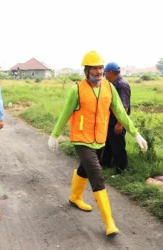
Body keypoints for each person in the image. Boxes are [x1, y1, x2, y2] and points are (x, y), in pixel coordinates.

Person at [48, 50, 148, 236]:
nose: (99, 71)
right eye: (94, 68)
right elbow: (65, 113)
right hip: (81, 138)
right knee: (97, 174)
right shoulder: (76, 89)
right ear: (87, 70)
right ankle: (109, 223)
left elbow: (120, 112)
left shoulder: (109, 88)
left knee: (85, 168)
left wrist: (135, 134)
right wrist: (54, 135)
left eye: (101, 67)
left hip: (100, 139)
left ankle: (75, 196)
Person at [101, 62, 131, 174]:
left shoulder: (121, 85)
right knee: (108, 144)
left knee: (118, 146)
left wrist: (119, 124)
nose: (104, 75)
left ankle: (121, 168)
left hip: (117, 122)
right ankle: (105, 164)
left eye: (104, 73)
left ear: (110, 72)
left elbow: (124, 107)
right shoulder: (113, 84)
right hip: (110, 121)